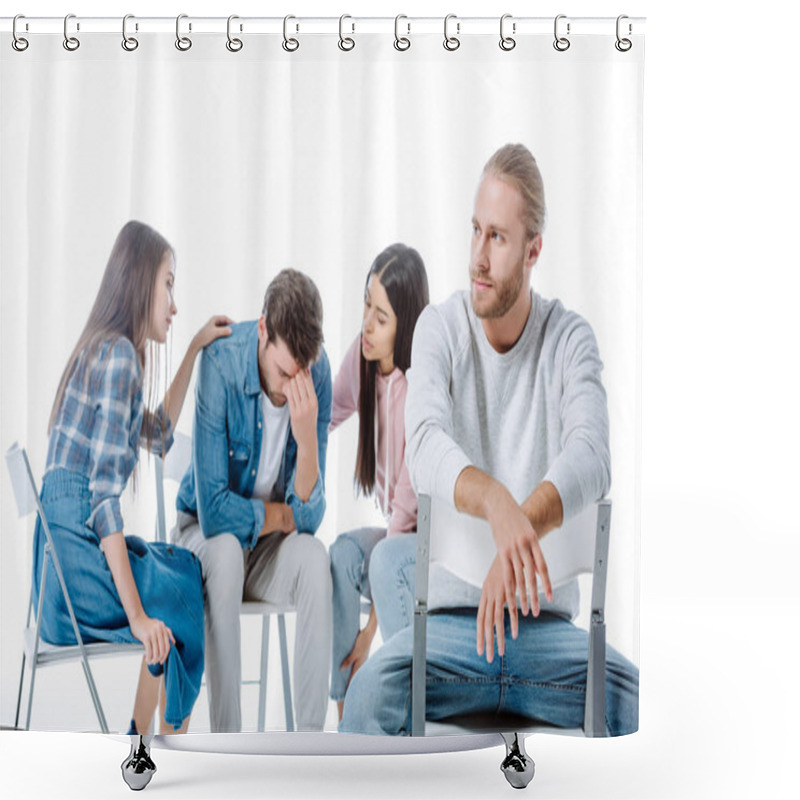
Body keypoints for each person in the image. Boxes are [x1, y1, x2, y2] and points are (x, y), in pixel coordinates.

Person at [341, 144, 639, 736]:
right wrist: (497, 505)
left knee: (643, 704)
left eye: (497, 238)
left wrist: (517, 528)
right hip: (451, 633)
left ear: (533, 251)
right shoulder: (440, 327)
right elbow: (423, 444)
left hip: (549, 642)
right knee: (366, 698)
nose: (478, 256)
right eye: (475, 231)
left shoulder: (569, 338)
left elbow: (594, 453)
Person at [34, 220, 232, 734]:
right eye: (168, 283)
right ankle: (159, 749)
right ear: (142, 281)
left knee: (179, 567)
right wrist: (139, 619)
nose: (173, 301)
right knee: (181, 593)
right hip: (77, 568)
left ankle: (140, 740)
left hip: (54, 573)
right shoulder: (118, 357)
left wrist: (190, 349)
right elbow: (102, 502)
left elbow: (160, 434)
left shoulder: (104, 348)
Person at [172, 268, 333, 733]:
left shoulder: (313, 375)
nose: (291, 387)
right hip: (203, 537)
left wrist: (306, 442)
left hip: (264, 552)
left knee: (314, 558)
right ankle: (229, 743)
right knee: (224, 553)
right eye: (284, 372)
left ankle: (309, 745)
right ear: (264, 330)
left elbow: (308, 521)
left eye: (301, 373)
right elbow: (215, 511)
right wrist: (276, 514)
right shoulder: (221, 363)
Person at [328, 244, 429, 721]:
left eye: (381, 316)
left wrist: (369, 635)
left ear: (404, 326)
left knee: (383, 557)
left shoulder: (420, 392)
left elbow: (403, 526)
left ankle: (401, 712)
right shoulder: (364, 356)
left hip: (426, 543)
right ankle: (346, 703)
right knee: (343, 553)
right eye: (366, 304)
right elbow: (325, 413)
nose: (367, 324)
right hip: (395, 540)